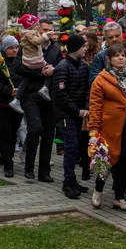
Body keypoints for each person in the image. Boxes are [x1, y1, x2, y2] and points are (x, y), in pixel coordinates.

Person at [87, 43, 126, 211]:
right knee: (107, 159)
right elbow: (95, 105)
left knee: (125, 159)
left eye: (122, 55)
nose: (120, 58)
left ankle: (119, 197)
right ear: (109, 59)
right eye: (116, 55)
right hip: (108, 126)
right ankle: (98, 189)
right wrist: (94, 129)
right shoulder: (101, 79)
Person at [16, 23, 60, 182]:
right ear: (38, 31)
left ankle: (44, 171)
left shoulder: (56, 48)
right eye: (44, 30)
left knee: (49, 133)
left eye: (50, 30)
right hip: (32, 93)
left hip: (49, 96)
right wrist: (39, 72)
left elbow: (61, 67)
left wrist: (53, 70)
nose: (47, 33)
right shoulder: (27, 45)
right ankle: (29, 168)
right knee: (35, 129)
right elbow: (17, 68)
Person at [51, 34, 90, 199]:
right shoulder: (62, 67)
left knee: (78, 148)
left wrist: (86, 108)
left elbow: (87, 89)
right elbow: (61, 95)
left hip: (80, 113)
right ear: (75, 48)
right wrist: (77, 111)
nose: (85, 49)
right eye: (83, 46)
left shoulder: (84, 66)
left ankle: (72, 180)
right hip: (67, 114)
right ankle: (68, 182)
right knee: (71, 147)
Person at [0, 35, 22, 178]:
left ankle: (8, 156)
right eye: (11, 48)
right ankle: (8, 163)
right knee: (5, 134)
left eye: (16, 47)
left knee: (13, 133)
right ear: (4, 49)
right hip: (2, 105)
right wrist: (8, 91)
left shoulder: (21, 63)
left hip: (17, 105)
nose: (14, 50)